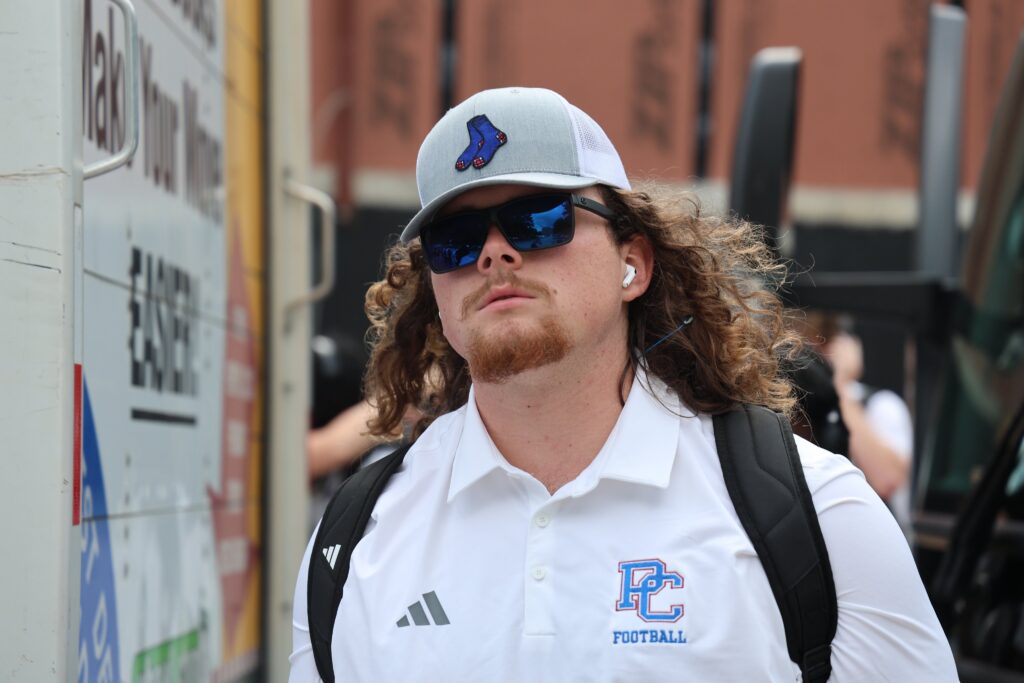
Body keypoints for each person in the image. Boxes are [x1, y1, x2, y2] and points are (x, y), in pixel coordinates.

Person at [289, 87, 957, 681]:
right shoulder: (353, 539)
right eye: (455, 240)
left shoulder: (814, 513)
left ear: (632, 264)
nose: (495, 252)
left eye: (538, 218)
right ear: (434, 288)